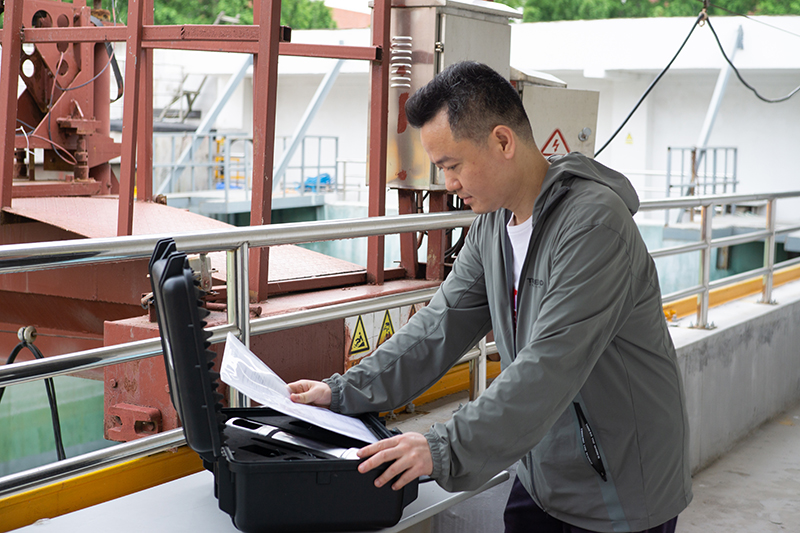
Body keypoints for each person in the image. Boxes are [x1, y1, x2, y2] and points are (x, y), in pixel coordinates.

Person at [288, 61, 692, 533]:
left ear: (503, 141)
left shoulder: (594, 226)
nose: (448, 183)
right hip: (543, 470)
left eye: (452, 165)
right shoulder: (493, 226)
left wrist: (442, 447)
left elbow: (550, 363)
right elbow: (440, 324)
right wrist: (343, 391)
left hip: (621, 487)